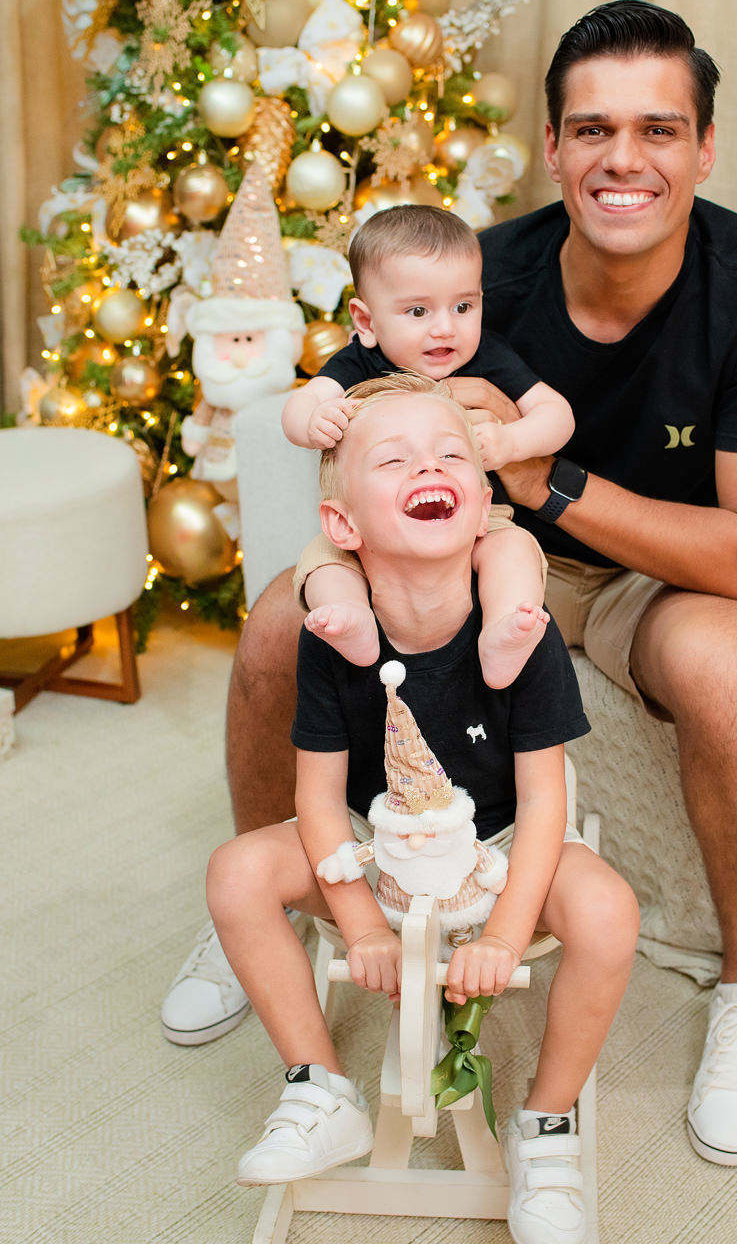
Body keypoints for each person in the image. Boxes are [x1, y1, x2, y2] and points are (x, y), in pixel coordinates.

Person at [162, 0, 737, 1172]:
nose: (624, 159)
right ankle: (268, 908)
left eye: (659, 130)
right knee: (279, 620)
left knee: (727, 661)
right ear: (554, 144)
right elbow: (365, 405)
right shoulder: (477, 274)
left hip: (651, 574)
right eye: (594, 129)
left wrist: (538, 474)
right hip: (471, 554)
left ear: (704, 148)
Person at [205, 374, 638, 1244]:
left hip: (498, 843)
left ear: (481, 510)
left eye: (448, 457)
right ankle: (320, 1088)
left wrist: (504, 936)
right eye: (393, 461)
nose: (427, 469)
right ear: (344, 527)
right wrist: (362, 924)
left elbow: (543, 801)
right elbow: (317, 798)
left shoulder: (518, 629)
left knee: (607, 911)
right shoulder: (334, 635)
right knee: (237, 871)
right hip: (375, 842)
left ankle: (546, 1124)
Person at [281, 205, 575, 689]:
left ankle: (503, 633)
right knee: (323, 562)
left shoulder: (487, 356)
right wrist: (312, 421)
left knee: (514, 548)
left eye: (463, 307)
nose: (445, 328)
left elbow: (558, 415)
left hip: (476, 522)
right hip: (371, 533)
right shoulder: (359, 363)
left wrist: (510, 440)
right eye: (418, 311)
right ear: (366, 320)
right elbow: (299, 406)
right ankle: (352, 621)